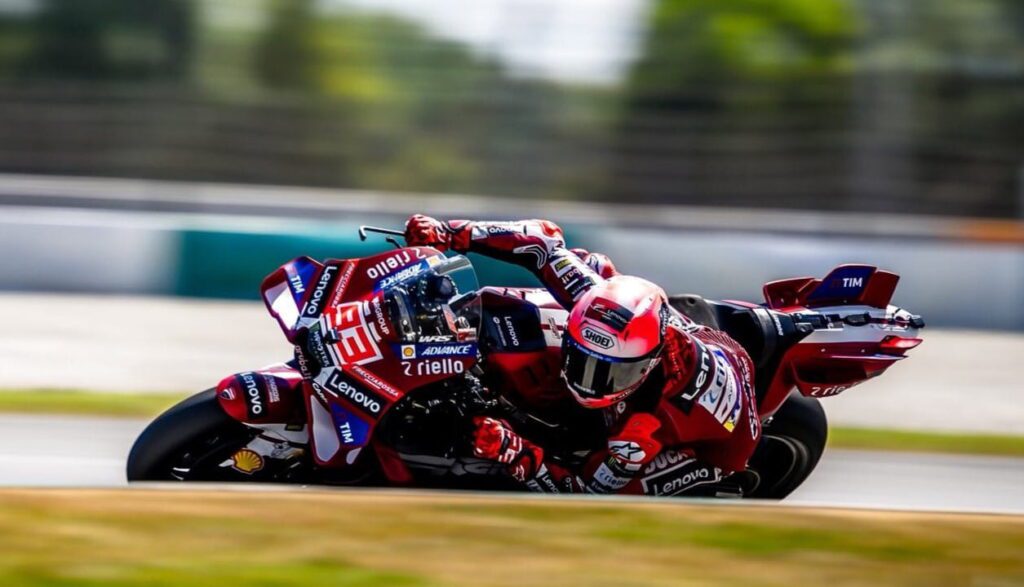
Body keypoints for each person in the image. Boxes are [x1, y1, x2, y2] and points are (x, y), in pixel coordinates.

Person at [404, 215, 762, 496]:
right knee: (592, 264)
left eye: (607, 373)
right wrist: (451, 233)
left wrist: (517, 453)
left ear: (646, 365)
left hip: (722, 441)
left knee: (630, 489)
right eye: (583, 360)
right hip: (688, 333)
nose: (588, 383)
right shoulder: (591, 296)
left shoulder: (640, 429)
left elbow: (585, 492)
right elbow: (540, 239)